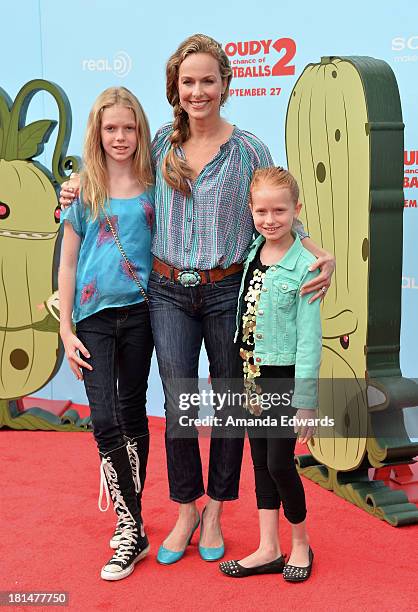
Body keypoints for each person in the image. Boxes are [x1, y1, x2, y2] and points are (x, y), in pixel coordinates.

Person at [59, 34, 334, 566]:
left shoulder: (250, 148)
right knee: (180, 399)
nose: (198, 90)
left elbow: (277, 216)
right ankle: (186, 506)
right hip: (165, 291)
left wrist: (321, 252)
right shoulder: (158, 145)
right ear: (175, 87)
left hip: (229, 291)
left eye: (208, 80)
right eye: (188, 81)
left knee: (230, 402)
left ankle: (216, 508)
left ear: (226, 84)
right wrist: (70, 190)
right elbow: (108, 178)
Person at [58, 87, 155, 581]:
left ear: (140, 129)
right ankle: (129, 521)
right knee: (103, 416)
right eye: (110, 128)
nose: (120, 137)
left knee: (133, 409)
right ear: (97, 132)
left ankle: (133, 523)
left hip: (141, 313)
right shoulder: (83, 189)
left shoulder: (156, 183)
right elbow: (69, 261)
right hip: (93, 318)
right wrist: (64, 328)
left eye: (128, 127)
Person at [219, 167, 321, 583]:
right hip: (250, 374)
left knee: (281, 463)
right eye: (261, 211)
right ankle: (268, 547)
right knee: (260, 461)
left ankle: (299, 542)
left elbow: (310, 341)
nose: (270, 219)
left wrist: (307, 401)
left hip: (284, 378)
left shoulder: (308, 266)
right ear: (251, 211)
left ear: (296, 210)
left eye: (279, 210)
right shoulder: (252, 253)